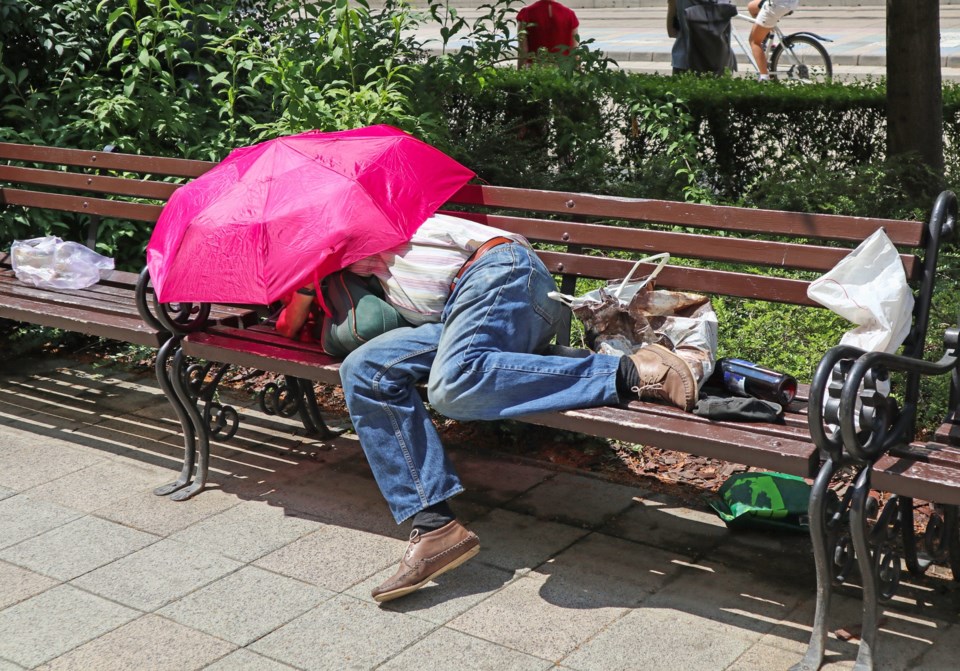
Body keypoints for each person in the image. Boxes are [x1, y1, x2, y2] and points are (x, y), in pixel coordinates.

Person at [277, 212, 699, 603]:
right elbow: (329, 324)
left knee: (451, 386)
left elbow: (293, 321)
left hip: (501, 276)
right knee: (366, 370)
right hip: (462, 315)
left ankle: (633, 373)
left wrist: (305, 278)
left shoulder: (359, 223)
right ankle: (435, 527)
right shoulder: (361, 247)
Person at [516, 0, 580, 68]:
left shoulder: (526, 14)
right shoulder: (569, 14)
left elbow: (523, 50)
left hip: (536, 70)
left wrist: (518, 72)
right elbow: (574, 51)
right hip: (564, 70)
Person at [748, 0, 800, 80]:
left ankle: (764, 77)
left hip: (777, 5)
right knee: (752, 7)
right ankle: (766, 35)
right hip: (791, 3)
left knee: (754, 41)